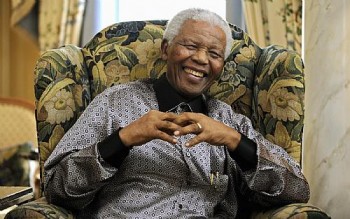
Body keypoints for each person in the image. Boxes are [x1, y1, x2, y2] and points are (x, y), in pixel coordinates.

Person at [44, 8, 310, 218]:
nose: (202, 59)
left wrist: (234, 141)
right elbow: (56, 187)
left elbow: (297, 189)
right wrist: (122, 140)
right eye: (191, 46)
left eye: (214, 54)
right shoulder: (114, 103)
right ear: (165, 49)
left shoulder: (228, 121)